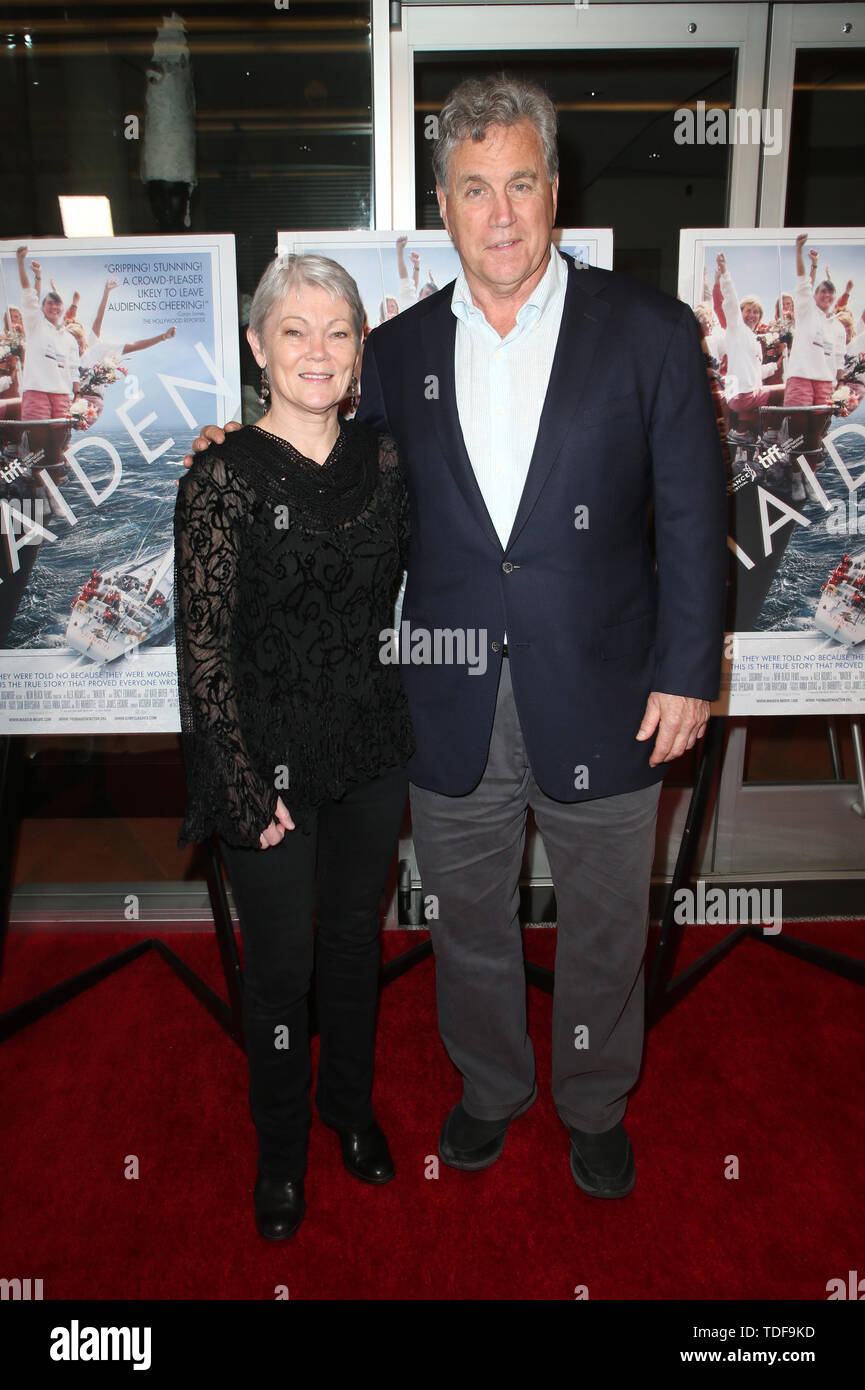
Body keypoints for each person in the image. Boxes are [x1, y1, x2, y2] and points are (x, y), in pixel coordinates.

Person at [185, 75, 727, 1201]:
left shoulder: (650, 332)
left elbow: (692, 513)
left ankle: (589, 1099)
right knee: (469, 920)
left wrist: (688, 669)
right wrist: (231, 443)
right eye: (474, 188)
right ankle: (490, 1089)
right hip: (444, 697)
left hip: (612, 691)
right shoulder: (395, 352)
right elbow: (323, 453)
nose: (501, 214)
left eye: (520, 182)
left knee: (602, 928)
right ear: (443, 202)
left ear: (553, 189)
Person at [174, 253, 414, 1240]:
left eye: (338, 331)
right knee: (279, 971)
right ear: (257, 345)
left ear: (360, 349)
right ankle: (279, 1153)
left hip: (366, 749)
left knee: (355, 945)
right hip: (264, 768)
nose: (317, 350)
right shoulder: (220, 478)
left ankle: (346, 1111)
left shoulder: (388, 462)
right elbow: (205, 650)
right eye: (295, 330)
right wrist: (238, 782)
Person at [784, 233, 846, 406]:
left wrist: (840, 384)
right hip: (800, 377)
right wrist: (799, 251)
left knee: (820, 432)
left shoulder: (839, 327)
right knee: (797, 429)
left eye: (830, 292)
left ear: (834, 296)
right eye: (822, 291)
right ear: (815, 295)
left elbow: (839, 358)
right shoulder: (806, 311)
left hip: (826, 383)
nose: (826, 295)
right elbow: (804, 283)